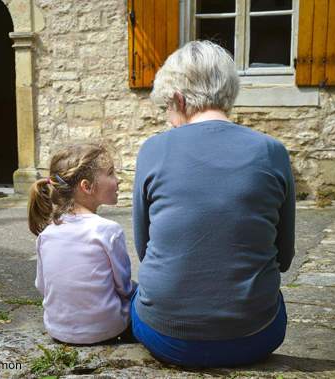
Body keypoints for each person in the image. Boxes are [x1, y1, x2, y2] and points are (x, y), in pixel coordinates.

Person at [132, 40, 296, 366]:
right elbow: (286, 257)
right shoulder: (272, 151)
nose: (169, 118)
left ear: (179, 99)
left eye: (167, 106)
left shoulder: (152, 150)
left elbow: (143, 247)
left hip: (165, 336)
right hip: (255, 336)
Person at [29, 142, 137, 344]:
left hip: (57, 330)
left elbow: (42, 286)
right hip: (107, 330)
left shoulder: (47, 233)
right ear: (87, 186)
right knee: (140, 291)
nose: (119, 179)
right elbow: (124, 287)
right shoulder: (108, 230)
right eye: (111, 173)